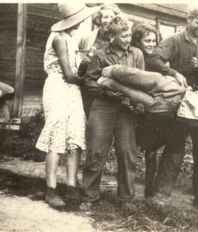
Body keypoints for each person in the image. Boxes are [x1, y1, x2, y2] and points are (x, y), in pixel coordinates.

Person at [149, 7, 198, 211]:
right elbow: (154, 59)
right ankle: (162, 194)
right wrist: (172, 72)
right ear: (188, 19)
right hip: (180, 100)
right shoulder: (174, 40)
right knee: (175, 147)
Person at [35, 3, 98, 208]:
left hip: (72, 90)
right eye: (81, 19)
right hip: (57, 87)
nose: (82, 22)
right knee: (57, 133)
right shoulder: (59, 39)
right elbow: (70, 76)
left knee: (75, 134)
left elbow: (76, 71)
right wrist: (90, 77)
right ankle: (50, 189)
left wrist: (86, 61)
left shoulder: (72, 39)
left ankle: (71, 185)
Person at [81, 15, 144, 210]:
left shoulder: (137, 54)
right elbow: (89, 82)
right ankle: (89, 196)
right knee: (96, 150)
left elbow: (142, 80)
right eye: (124, 36)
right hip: (103, 106)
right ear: (112, 37)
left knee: (127, 152)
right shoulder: (100, 55)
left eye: (129, 35)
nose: (128, 39)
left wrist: (137, 101)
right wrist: (106, 90)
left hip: (126, 108)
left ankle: (126, 199)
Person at [129, 22, 187, 199]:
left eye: (154, 40)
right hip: (138, 108)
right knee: (141, 149)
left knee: (153, 149)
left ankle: (152, 191)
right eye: (147, 40)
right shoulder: (135, 56)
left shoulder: (155, 58)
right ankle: (140, 189)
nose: (151, 44)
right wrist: (173, 72)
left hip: (154, 108)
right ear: (138, 41)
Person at [78, 4, 121, 116]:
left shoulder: (119, 38)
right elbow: (80, 63)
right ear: (99, 19)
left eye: (111, 17)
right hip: (89, 85)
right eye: (105, 17)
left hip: (110, 87)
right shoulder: (88, 38)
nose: (108, 20)